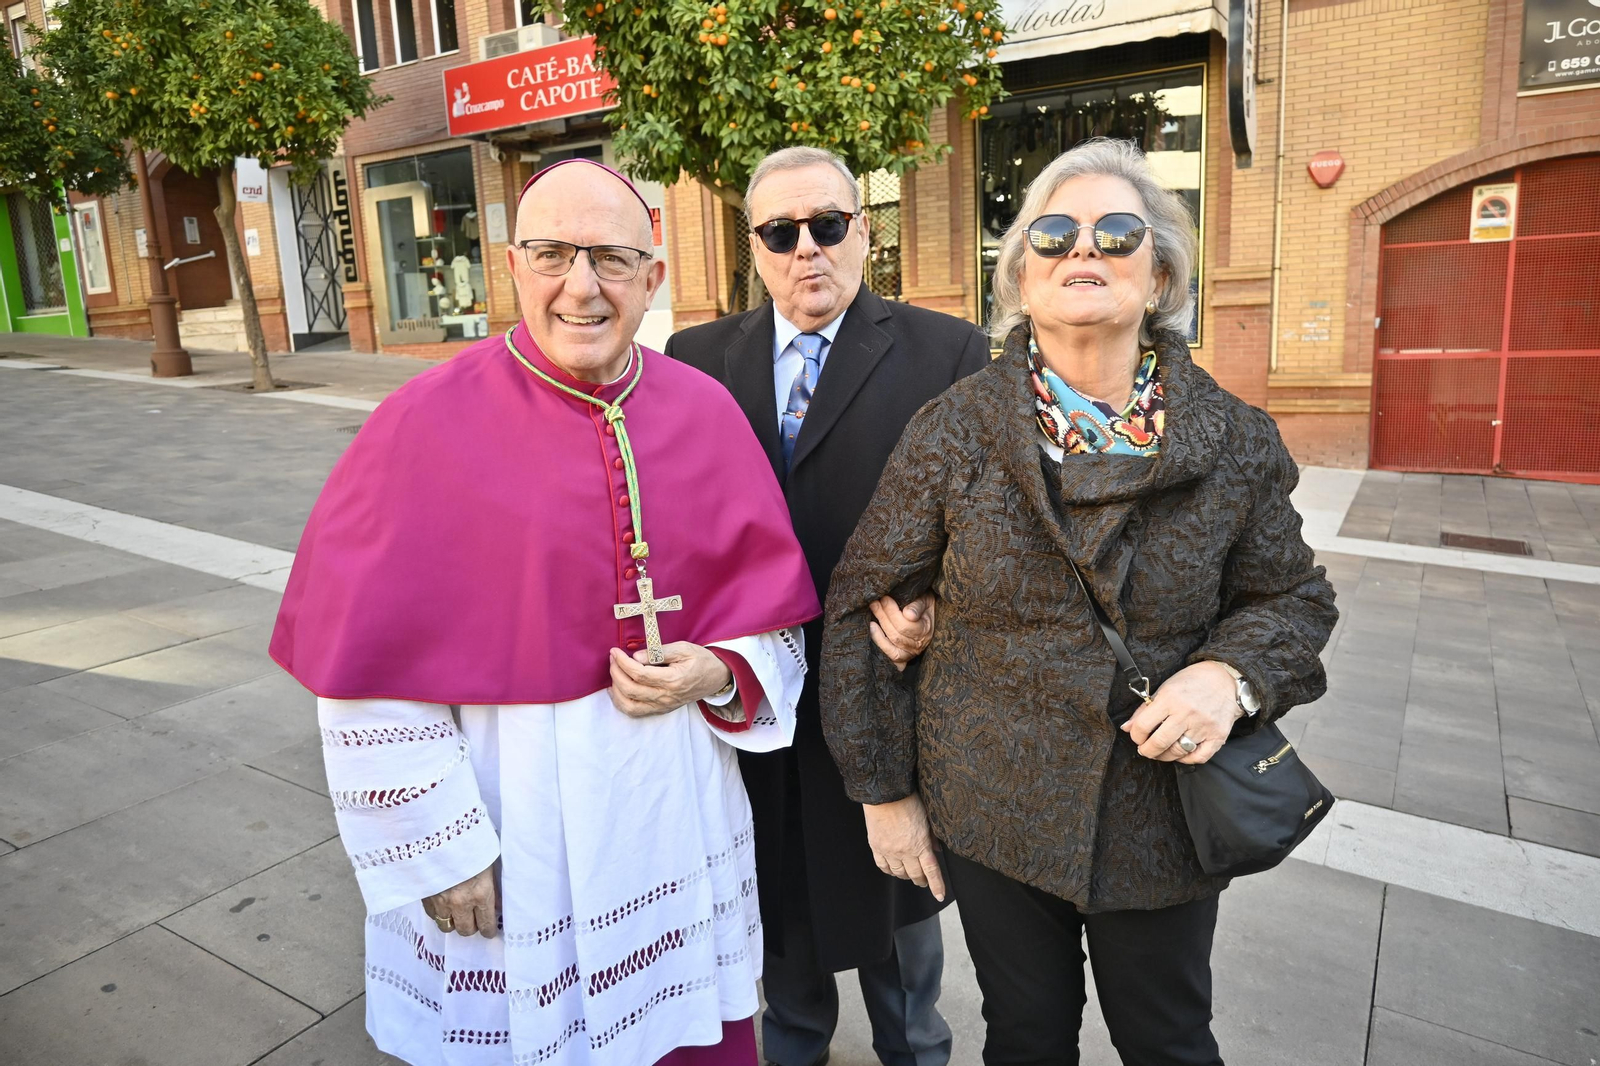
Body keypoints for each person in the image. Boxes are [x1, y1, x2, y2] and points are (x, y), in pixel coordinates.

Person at [269, 158, 821, 1066]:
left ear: (655, 275)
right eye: (552, 254)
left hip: (673, 813)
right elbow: (365, 669)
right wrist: (439, 845)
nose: (581, 286)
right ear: (512, 266)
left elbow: (770, 618)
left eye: (610, 258)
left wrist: (719, 669)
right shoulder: (421, 424)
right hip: (510, 819)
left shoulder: (707, 410)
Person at [820, 138, 1339, 1065]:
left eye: (1117, 233)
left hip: (1161, 806)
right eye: (1053, 235)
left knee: (1170, 1038)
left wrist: (1229, 675)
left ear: (1161, 272)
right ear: (1021, 276)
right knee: (1024, 1038)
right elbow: (861, 609)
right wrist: (883, 793)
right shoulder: (954, 432)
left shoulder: (1237, 439)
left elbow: (1293, 599)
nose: (1082, 252)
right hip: (992, 800)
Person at [666, 146, 990, 1066]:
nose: (806, 249)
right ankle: (795, 1045)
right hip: (754, 691)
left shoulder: (947, 350)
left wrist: (938, 606)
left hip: (885, 695)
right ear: (756, 246)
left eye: (828, 225)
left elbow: (987, 515)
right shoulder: (695, 357)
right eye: (780, 232)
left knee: (898, 923)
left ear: (864, 230)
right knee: (782, 913)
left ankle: (915, 1050)